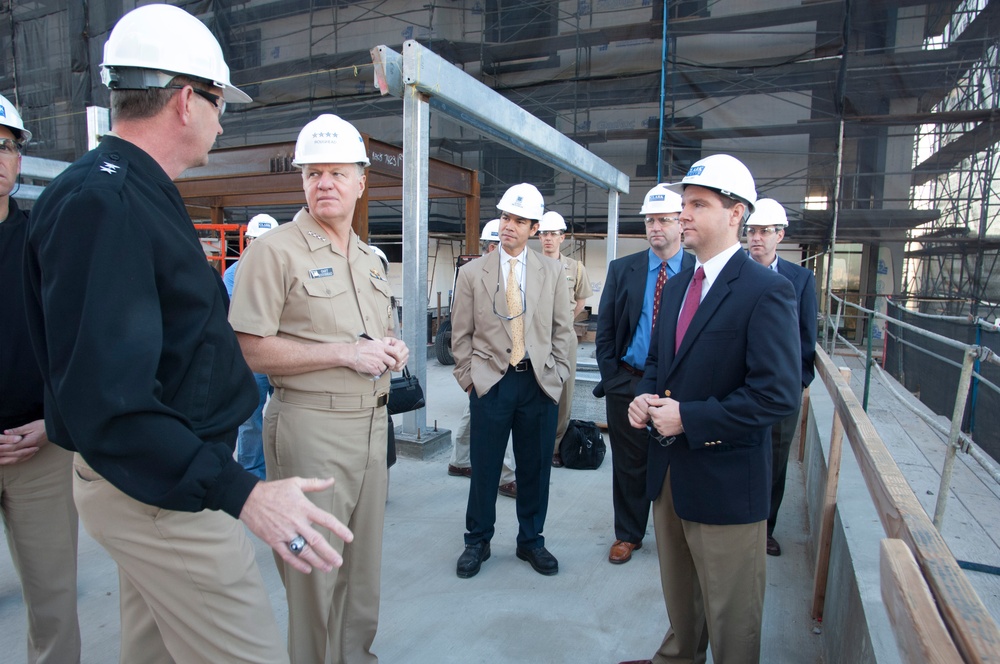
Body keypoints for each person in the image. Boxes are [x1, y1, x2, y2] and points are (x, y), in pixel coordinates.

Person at [22, 6, 352, 664]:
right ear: (182, 100)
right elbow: (111, 402)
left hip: (164, 476)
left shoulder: (133, 192)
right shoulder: (103, 204)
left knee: (156, 653)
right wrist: (244, 493)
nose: (223, 117)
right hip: (162, 492)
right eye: (217, 100)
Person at [229, 113, 408, 664]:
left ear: (360, 182)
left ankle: (356, 656)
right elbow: (249, 347)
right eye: (313, 173)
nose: (323, 183)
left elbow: (381, 330)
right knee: (314, 572)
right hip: (311, 428)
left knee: (363, 571)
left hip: (373, 425)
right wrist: (343, 354)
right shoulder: (274, 251)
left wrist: (392, 347)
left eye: (335, 172)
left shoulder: (369, 259)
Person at [621, 154, 800, 664]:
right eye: (684, 206)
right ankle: (678, 656)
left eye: (699, 205)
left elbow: (777, 394)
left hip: (726, 481)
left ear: (736, 214)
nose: (684, 216)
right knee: (682, 598)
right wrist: (644, 396)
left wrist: (690, 418)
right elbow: (660, 363)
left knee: (731, 617)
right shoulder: (678, 285)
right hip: (671, 473)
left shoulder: (767, 291)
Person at [450, 183, 575, 579]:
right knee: (484, 466)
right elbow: (460, 334)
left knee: (535, 467)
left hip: (536, 382)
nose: (509, 226)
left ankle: (531, 541)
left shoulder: (553, 272)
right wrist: (470, 378)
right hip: (491, 383)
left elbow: (562, 331)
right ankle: (478, 540)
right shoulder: (472, 273)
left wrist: (557, 375)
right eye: (505, 217)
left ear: (534, 229)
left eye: (519, 220)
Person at [0, 93, 82, 664]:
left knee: (53, 605)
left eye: (5, 145)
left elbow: (78, 344)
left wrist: (54, 421)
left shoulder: (42, 240)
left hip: (42, 449)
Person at [593, 184, 694, 565]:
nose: (656, 228)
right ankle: (628, 534)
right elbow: (605, 332)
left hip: (678, 386)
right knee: (629, 463)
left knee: (676, 462)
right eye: (650, 220)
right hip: (629, 380)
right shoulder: (624, 270)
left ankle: (681, 536)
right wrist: (616, 381)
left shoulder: (696, 272)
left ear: (681, 224)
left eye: (665, 220)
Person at [744, 198, 817, 556]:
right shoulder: (733, 273)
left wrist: (797, 383)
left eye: (764, 231)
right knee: (738, 455)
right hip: (739, 386)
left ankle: (765, 529)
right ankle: (738, 524)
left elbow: (806, 338)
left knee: (775, 460)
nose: (756, 238)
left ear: (780, 234)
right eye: (752, 231)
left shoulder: (800, 280)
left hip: (782, 390)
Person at [448, 218, 518, 498]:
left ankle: (459, 461)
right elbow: (460, 328)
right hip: (483, 366)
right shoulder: (474, 276)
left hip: (497, 365)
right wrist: (468, 377)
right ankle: (505, 476)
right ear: (491, 246)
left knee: (471, 415)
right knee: (498, 427)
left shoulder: (510, 275)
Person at [536, 210, 593, 467]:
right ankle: (535, 442)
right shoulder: (529, 264)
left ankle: (556, 446)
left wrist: (564, 319)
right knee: (534, 390)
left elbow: (580, 301)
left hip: (564, 337)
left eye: (553, 234)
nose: (548, 238)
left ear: (563, 237)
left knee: (564, 392)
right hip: (535, 336)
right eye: (544, 234)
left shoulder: (575, 268)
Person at [223, 213, 278, 480]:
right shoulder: (233, 274)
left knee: (289, 419)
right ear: (247, 240)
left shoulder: (285, 270)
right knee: (251, 420)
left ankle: (285, 472)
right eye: (255, 240)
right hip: (252, 360)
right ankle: (253, 476)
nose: (259, 245)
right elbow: (239, 316)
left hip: (282, 356)